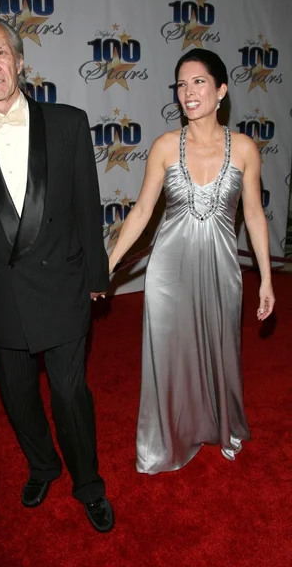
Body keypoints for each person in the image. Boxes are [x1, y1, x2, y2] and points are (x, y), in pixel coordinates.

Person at [0, 14, 114, 532]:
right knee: (16, 394)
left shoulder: (69, 123)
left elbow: (88, 205)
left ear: (19, 59)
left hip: (61, 282)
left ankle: (89, 484)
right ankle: (43, 465)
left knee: (68, 392)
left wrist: (97, 275)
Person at [108, 49, 275, 473]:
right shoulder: (165, 146)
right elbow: (143, 212)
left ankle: (220, 425)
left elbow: (253, 214)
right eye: (181, 84)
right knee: (168, 353)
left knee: (221, 348)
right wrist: (107, 264)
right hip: (167, 270)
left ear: (221, 90)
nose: (188, 92)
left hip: (222, 267)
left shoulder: (245, 149)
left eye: (198, 82)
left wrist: (268, 281)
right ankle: (166, 439)